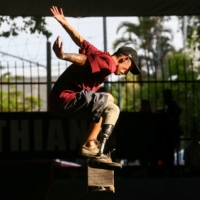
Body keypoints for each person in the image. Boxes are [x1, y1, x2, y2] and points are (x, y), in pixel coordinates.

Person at [48, 6, 141, 169]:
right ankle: (90, 144)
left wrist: (65, 23)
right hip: (66, 99)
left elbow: (80, 40)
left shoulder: (101, 55)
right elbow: (83, 60)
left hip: (58, 101)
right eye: (128, 69)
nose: (125, 73)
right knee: (111, 105)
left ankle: (92, 143)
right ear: (124, 59)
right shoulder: (108, 65)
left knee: (104, 100)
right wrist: (64, 56)